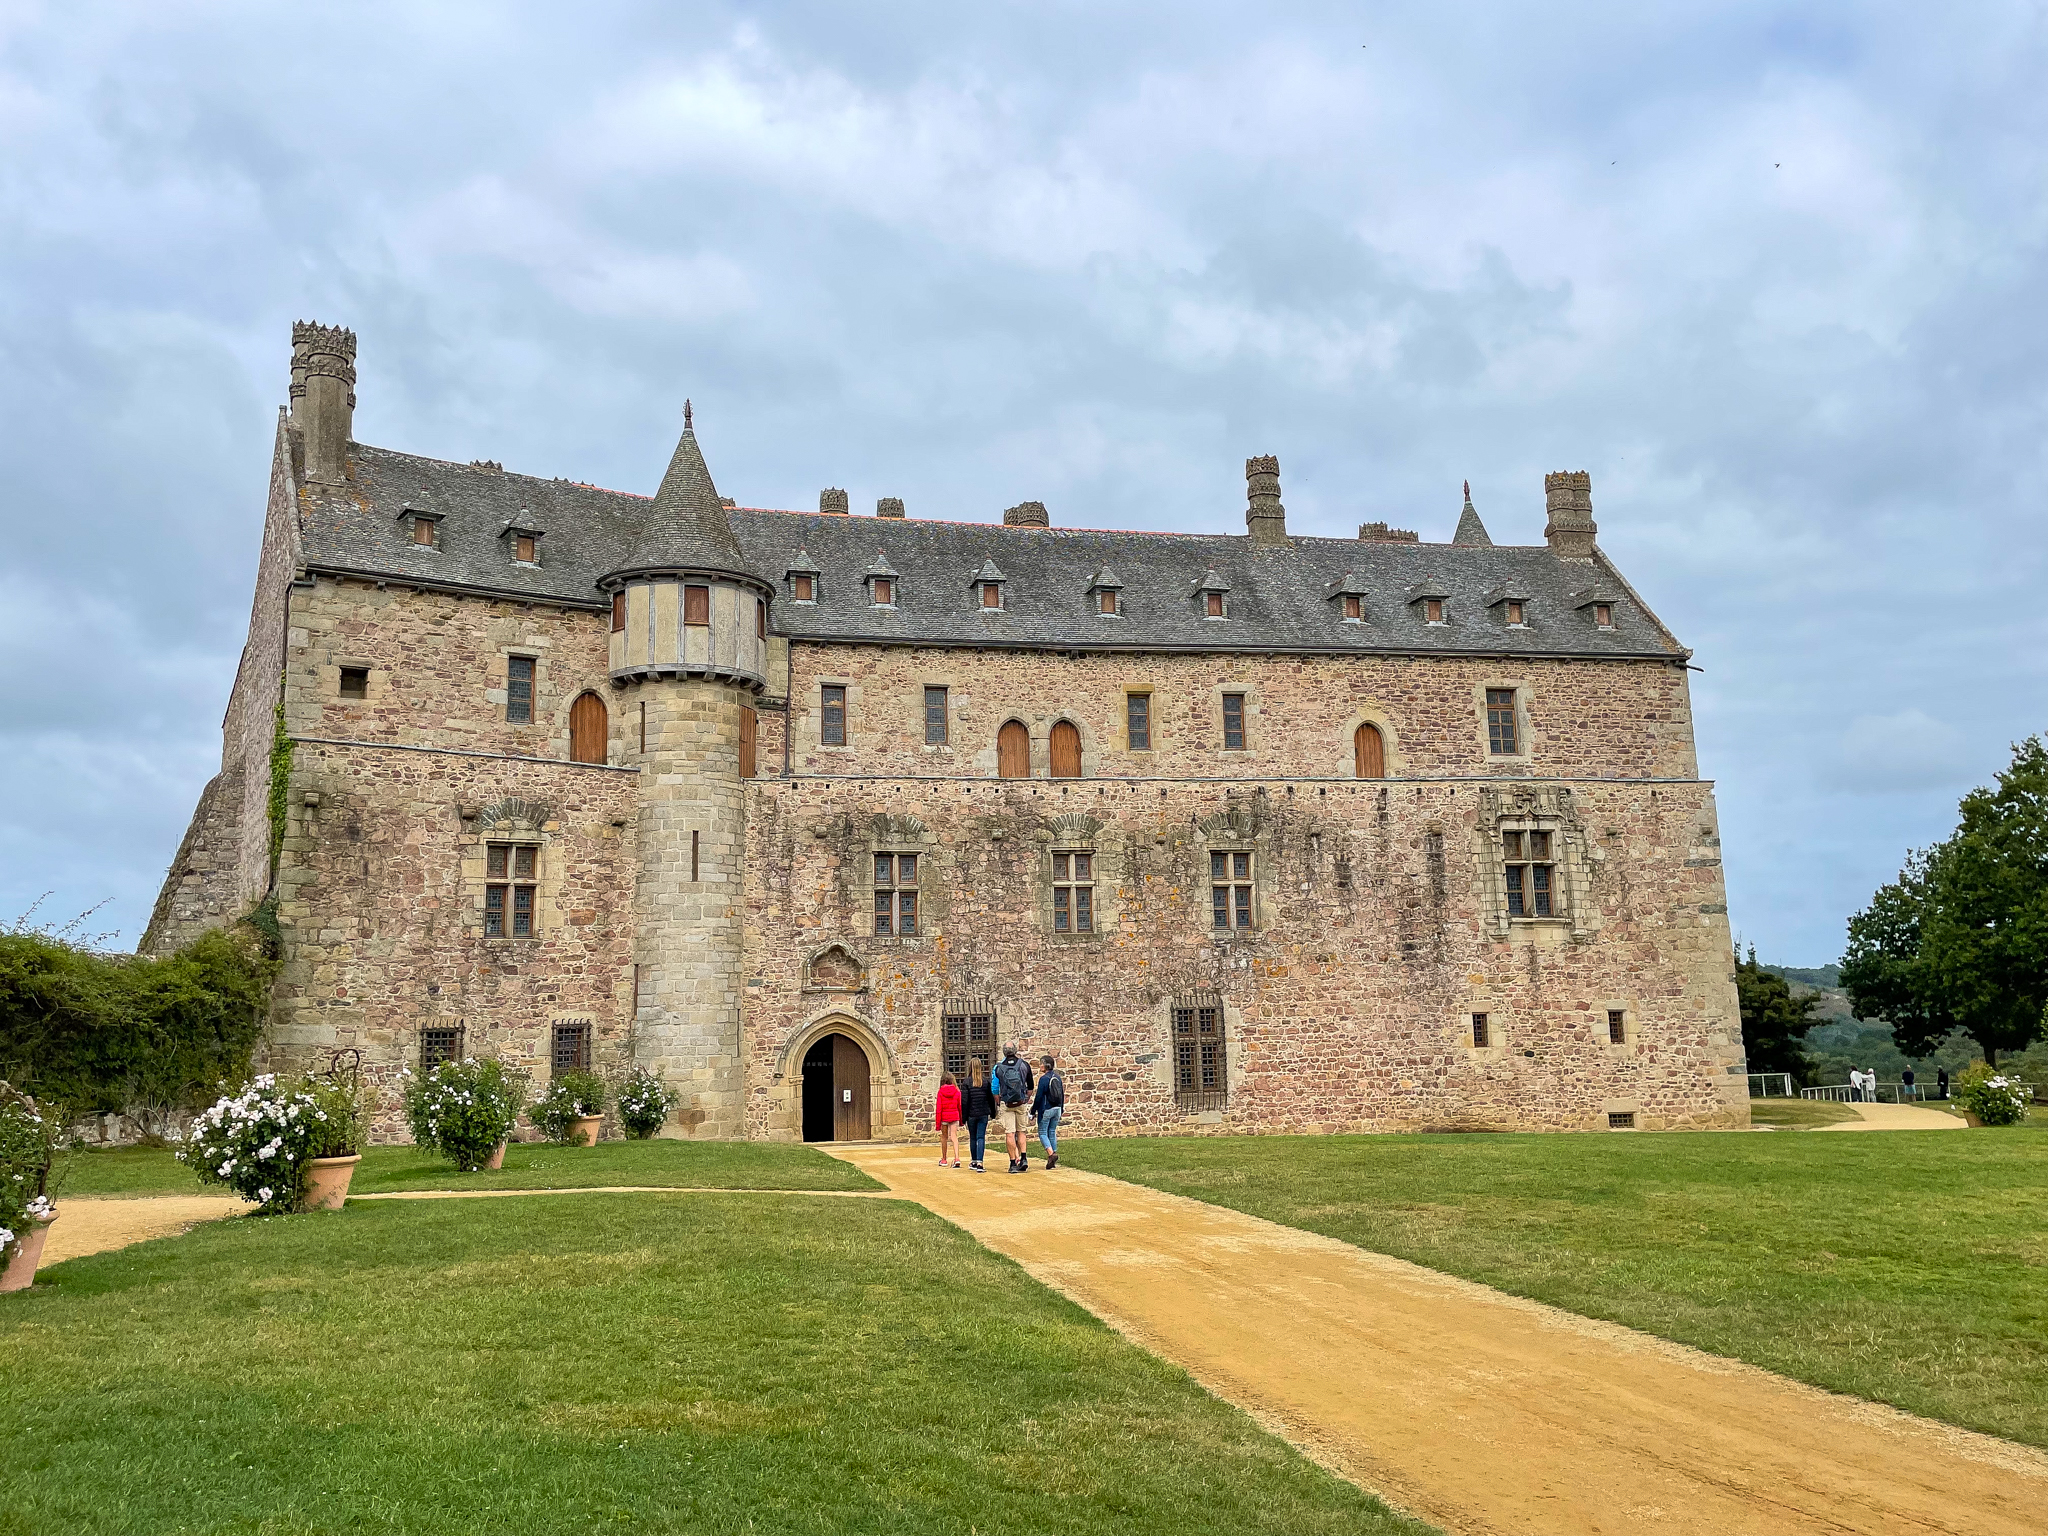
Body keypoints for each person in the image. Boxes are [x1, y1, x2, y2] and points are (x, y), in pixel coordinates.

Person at [992, 1044, 1036, 1173]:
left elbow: (994, 1088)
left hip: (1007, 1103)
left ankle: (1012, 1163)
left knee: (1010, 1133)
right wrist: (1025, 1099)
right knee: (1021, 1131)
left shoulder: (998, 1067)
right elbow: (1031, 1086)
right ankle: (1023, 1158)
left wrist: (999, 1102)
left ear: (1004, 1052)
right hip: (1021, 1102)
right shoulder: (1024, 1065)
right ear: (1015, 1051)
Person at [959, 1060, 996, 1172]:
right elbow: (991, 1099)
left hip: (971, 1114)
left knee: (973, 1137)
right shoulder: (985, 1082)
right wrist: (993, 1112)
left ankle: (974, 1160)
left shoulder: (967, 1082)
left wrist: (963, 1117)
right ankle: (980, 1161)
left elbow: (964, 1102)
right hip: (983, 1113)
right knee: (981, 1137)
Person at [1031, 1053, 1066, 1170]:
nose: (1040, 1065)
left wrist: (1033, 1111)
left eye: (1041, 1063)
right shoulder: (1057, 1077)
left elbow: (1039, 1097)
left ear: (1045, 1066)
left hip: (1046, 1109)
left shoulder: (1044, 1079)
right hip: (1057, 1108)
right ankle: (1053, 1155)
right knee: (1052, 1131)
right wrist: (1061, 1108)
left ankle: (1051, 1154)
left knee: (1042, 1132)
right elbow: (1062, 1094)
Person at [935, 1070, 962, 1167]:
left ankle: (944, 1159)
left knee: (944, 1137)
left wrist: (938, 1124)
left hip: (944, 1117)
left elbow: (939, 1109)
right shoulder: (957, 1091)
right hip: (954, 1115)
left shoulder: (940, 1092)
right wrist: (961, 1119)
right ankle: (957, 1158)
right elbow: (959, 1106)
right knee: (954, 1137)